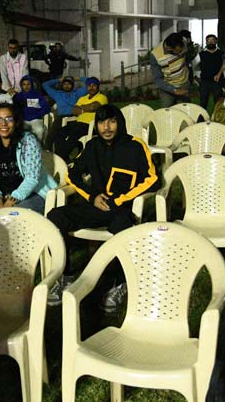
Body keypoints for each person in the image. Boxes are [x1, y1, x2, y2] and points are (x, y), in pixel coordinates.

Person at [47, 104, 157, 308]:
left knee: (122, 226)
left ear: (120, 123)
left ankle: (120, 283)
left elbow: (152, 179)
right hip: (95, 206)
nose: (106, 127)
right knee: (55, 216)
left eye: (112, 122)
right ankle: (66, 275)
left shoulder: (135, 146)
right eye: (101, 122)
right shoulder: (92, 146)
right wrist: (92, 197)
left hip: (121, 209)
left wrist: (118, 200)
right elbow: (72, 175)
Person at [0, 104, 56, 214]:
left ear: (16, 122)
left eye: (9, 119)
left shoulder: (28, 141)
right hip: (4, 195)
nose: (3, 123)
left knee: (13, 215)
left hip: (34, 193)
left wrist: (13, 199)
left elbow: (32, 178)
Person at [54, 76, 108, 160]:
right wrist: (86, 108)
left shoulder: (102, 97)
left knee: (73, 135)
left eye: (94, 85)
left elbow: (93, 107)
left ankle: (60, 158)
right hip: (78, 123)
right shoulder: (83, 98)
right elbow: (74, 110)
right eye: (89, 85)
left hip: (90, 125)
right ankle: (65, 158)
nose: (91, 88)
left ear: (98, 86)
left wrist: (81, 108)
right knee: (59, 132)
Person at [150, 32, 191, 107]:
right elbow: (157, 79)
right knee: (168, 110)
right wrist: (174, 90)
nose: (180, 53)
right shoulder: (155, 55)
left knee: (184, 109)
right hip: (168, 86)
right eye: (178, 52)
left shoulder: (183, 41)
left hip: (184, 83)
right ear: (169, 48)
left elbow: (187, 56)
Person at [13, 75, 50, 140]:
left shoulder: (38, 95)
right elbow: (14, 109)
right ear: (21, 85)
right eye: (24, 84)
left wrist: (37, 115)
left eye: (28, 84)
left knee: (39, 130)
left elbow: (46, 108)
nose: (26, 86)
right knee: (19, 132)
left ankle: (37, 145)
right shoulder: (18, 96)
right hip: (23, 120)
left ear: (32, 85)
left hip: (36, 119)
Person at [198, 34, 224, 111]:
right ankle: (202, 117)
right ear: (206, 42)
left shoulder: (221, 53)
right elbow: (194, 66)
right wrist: (197, 78)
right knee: (203, 102)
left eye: (212, 40)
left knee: (218, 102)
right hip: (204, 81)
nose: (210, 42)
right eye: (208, 40)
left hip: (217, 81)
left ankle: (217, 117)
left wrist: (219, 74)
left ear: (216, 41)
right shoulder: (201, 54)